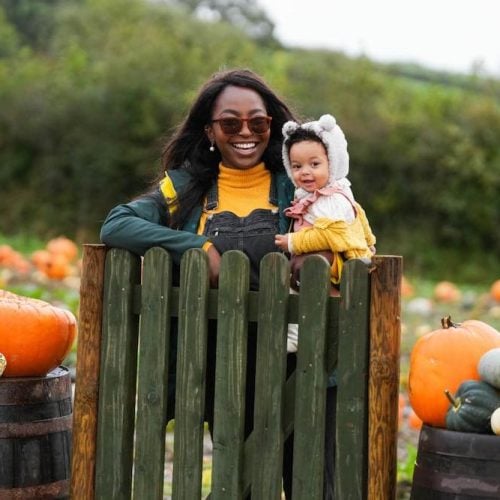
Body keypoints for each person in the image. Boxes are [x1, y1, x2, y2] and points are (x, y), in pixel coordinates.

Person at [100, 68, 321, 498]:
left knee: (296, 478)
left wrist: (325, 249)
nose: (245, 132)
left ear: (272, 127)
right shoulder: (183, 188)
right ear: (209, 131)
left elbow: (348, 223)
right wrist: (196, 247)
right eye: (230, 122)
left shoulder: (296, 185)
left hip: (285, 363)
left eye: (257, 122)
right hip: (201, 362)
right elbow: (116, 224)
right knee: (224, 476)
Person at [274, 114, 376, 353]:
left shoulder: (332, 199)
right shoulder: (316, 195)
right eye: (297, 166)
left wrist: (293, 242)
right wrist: (370, 241)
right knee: (294, 278)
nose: (305, 172)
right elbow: (361, 217)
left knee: (303, 269)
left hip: (337, 260)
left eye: (315, 164)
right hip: (329, 258)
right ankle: (302, 328)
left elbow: (330, 235)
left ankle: (302, 331)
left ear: (334, 162)